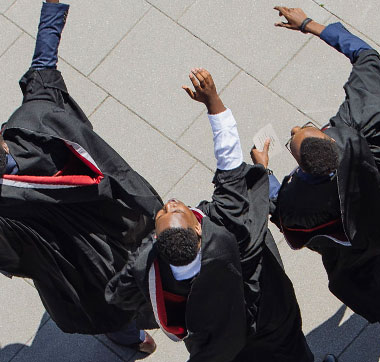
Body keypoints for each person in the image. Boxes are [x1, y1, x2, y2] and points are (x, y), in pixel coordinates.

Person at [0, 0, 160, 355]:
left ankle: (132, 339)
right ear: (4, 148)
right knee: (136, 273)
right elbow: (43, 63)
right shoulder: (37, 125)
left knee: (103, 299)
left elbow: (5, 258)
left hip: (70, 262)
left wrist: (44, 262)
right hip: (111, 224)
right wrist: (52, 8)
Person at [106, 69, 316, 362]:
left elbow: (117, 294)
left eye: (164, 211)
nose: (170, 203)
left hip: (228, 349)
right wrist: (212, 102)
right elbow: (230, 167)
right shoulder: (233, 232)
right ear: (199, 233)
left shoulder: (151, 268)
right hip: (272, 318)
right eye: (176, 209)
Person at [269, 6, 380, 362]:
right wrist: (310, 26)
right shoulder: (363, 119)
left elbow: (279, 210)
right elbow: (364, 55)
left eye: (293, 136)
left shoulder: (301, 201)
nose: (295, 129)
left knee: (373, 297)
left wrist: (262, 171)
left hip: (365, 257)